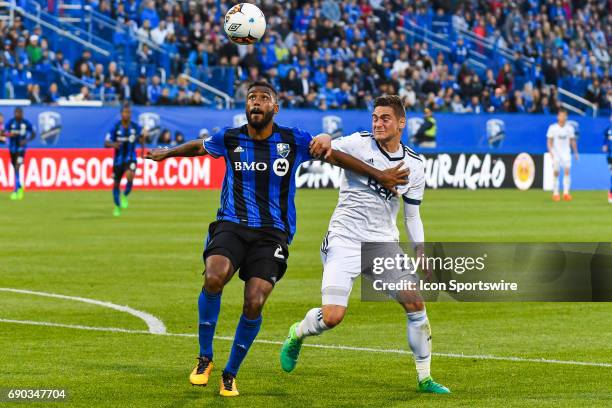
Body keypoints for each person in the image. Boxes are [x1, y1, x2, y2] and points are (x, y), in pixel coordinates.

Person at [144, 81, 408, 397]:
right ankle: (204, 358)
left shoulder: (291, 140)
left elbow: (332, 155)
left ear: (275, 107)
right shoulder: (230, 137)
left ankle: (230, 372)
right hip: (232, 224)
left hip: (273, 234)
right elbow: (200, 146)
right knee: (214, 277)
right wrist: (167, 153)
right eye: (251, 98)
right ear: (246, 106)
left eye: (264, 98)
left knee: (254, 301)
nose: (256, 102)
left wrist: (380, 175)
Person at [280, 95, 450, 394]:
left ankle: (425, 378)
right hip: (344, 239)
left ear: (401, 123)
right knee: (332, 317)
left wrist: (420, 250)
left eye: (385, 118)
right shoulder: (359, 143)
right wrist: (321, 136)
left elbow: (412, 214)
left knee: (416, 303)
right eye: (374, 117)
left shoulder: (415, 165)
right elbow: (326, 145)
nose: (378, 123)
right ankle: (298, 332)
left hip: (382, 244)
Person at [104, 104, 146, 216]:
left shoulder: (135, 127)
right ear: (121, 114)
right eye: (124, 112)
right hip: (118, 160)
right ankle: (117, 206)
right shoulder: (116, 127)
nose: (126, 114)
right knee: (116, 184)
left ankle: (125, 195)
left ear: (131, 114)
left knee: (130, 175)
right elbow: (106, 143)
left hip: (131, 157)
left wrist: (142, 150)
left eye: (128, 112)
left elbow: (142, 137)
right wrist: (114, 144)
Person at [546, 109, 578, 201]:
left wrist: (575, 152)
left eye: (564, 116)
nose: (562, 118)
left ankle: (566, 193)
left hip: (566, 153)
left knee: (567, 171)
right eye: (561, 115)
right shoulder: (553, 128)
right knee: (556, 172)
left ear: (566, 117)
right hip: (556, 153)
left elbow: (573, 141)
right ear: (558, 117)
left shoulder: (570, 128)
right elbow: (549, 141)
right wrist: (551, 153)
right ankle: (555, 193)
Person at [4, 107, 36, 200]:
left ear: (22, 114)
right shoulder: (11, 122)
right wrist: (10, 134)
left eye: (19, 113)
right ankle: (20, 186)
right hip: (12, 148)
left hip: (21, 149)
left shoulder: (25, 123)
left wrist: (26, 140)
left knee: (18, 166)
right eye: (16, 113)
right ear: (14, 113)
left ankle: (15, 190)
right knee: (15, 168)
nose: (18, 114)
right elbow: (3, 133)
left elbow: (33, 133)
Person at [603, 117, 612, 203]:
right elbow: (605, 140)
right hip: (610, 156)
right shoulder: (608, 130)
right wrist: (604, 145)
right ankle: (610, 193)